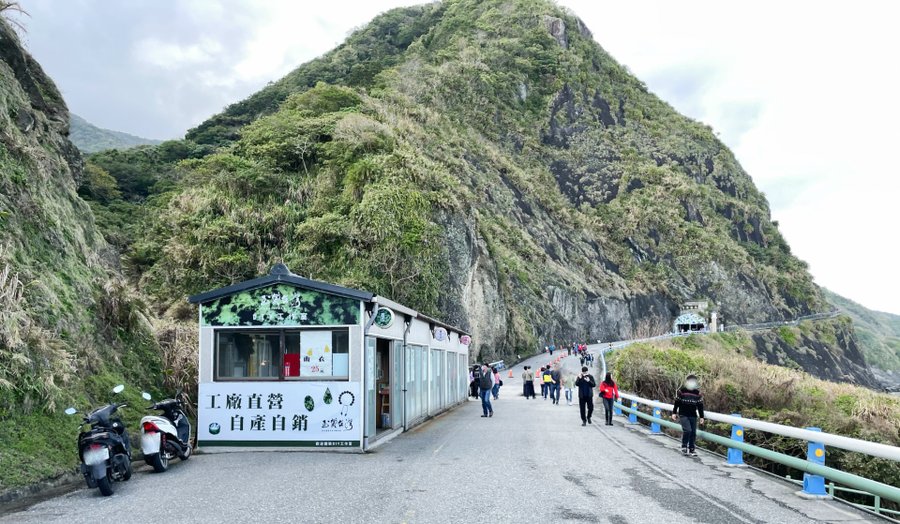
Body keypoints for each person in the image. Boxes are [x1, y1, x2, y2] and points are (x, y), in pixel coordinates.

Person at [671, 374, 705, 456]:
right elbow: (677, 403)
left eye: (694, 382)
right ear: (687, 382)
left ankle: (692, 449)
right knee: (688, 430)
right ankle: (684, 446)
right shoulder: (682, 391)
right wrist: (674, 413)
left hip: (693, 415)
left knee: (693, 432)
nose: (692, 383)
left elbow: (700, 405)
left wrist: (702, 417)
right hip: (683, 414)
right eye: (691, 381)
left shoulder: (697, 393)